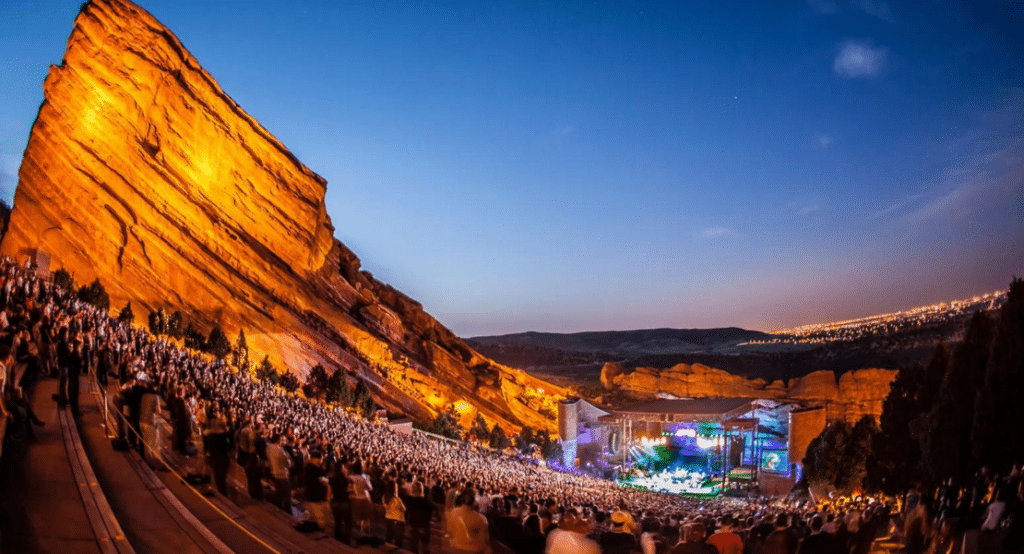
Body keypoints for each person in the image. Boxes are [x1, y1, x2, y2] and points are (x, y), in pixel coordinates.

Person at [446, 488, 490, 554]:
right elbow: (484, 541)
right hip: (473, 551)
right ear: (475, 501)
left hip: (456, 548)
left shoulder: (453, 512)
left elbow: (450, 530)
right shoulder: (481, 519)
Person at [406, 481, 435, 554]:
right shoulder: (426, 500)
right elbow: (432, 509)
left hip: (414, 526)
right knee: (425, 547)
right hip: (424, 526)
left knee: (414, 547)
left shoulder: (409, 500)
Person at [267, 434, 293, 513]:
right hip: (282, 475)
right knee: (286, 495)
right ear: (278, 440)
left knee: (279, 493)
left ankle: (278, 509)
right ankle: (287, 512)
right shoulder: (280, 450)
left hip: (275, 473)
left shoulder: (269, 447)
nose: (283, 441)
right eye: (282, 440)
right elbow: (288, 464)